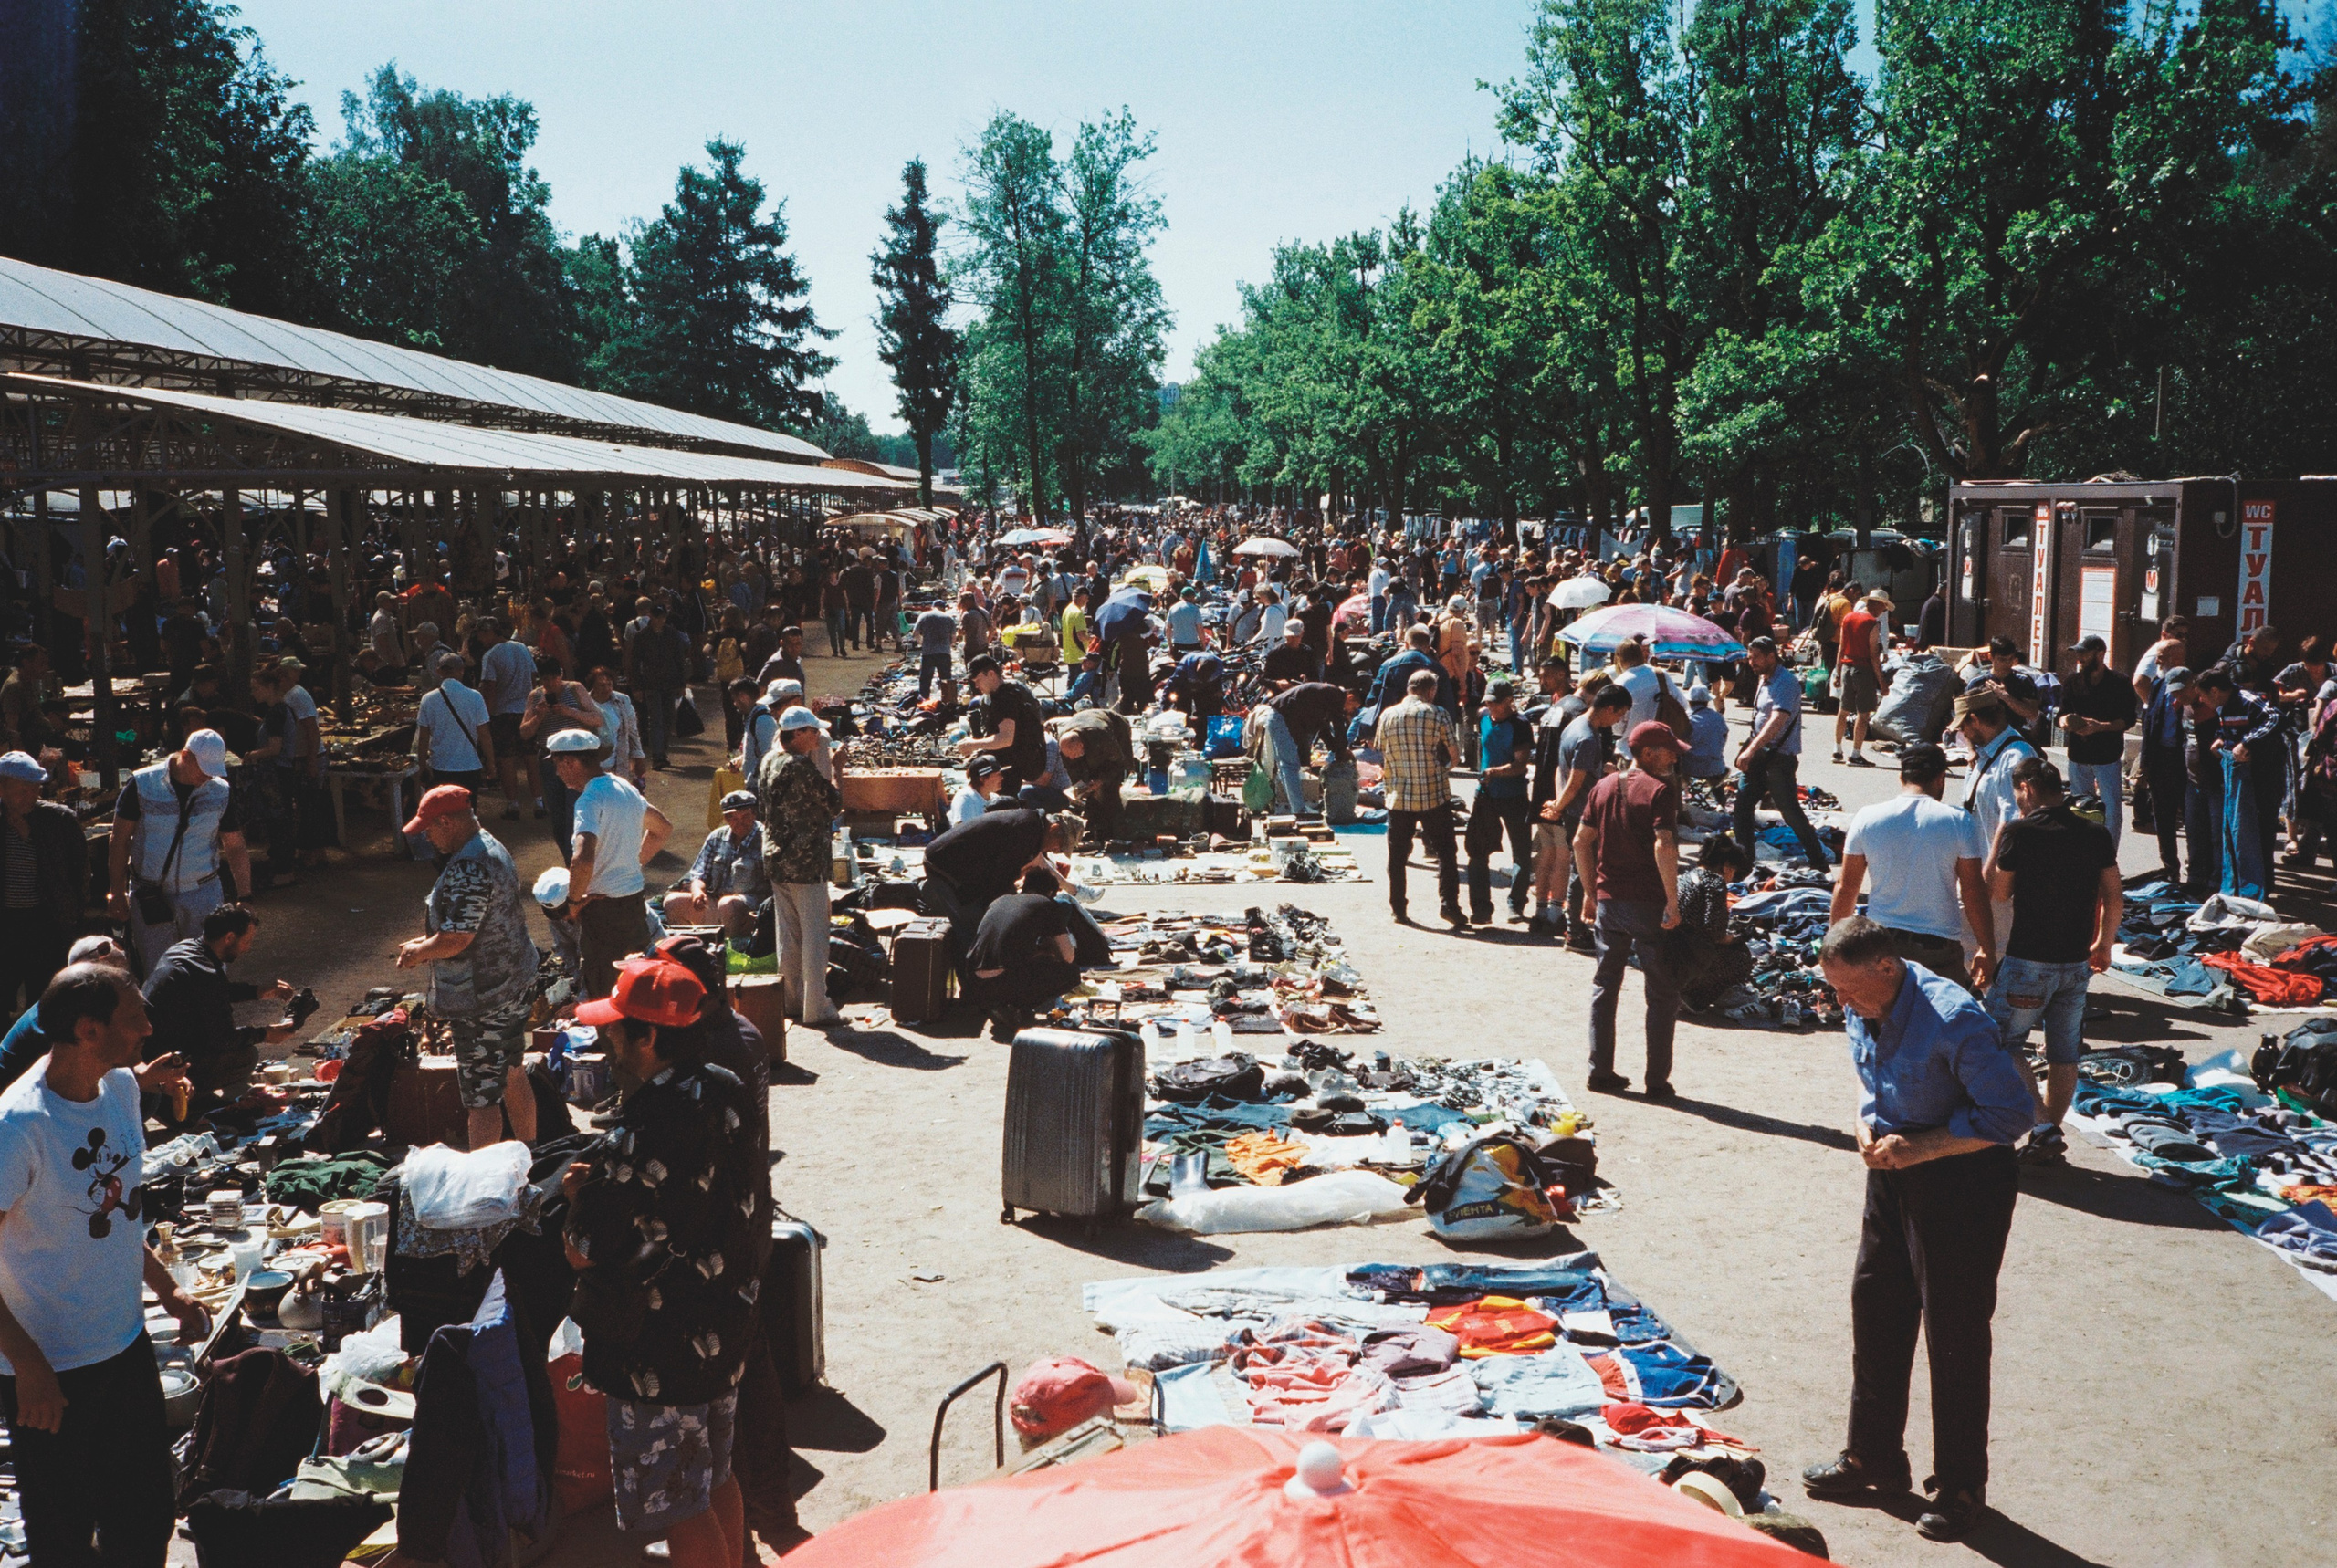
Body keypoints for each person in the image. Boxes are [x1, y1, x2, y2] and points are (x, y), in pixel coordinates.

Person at [1805, 916, 2032, 1544]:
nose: (1841, 1002)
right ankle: (1873, 1454)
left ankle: (1961, 1486)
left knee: (1955, 1332)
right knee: (1876, 1306)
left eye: (1850, 990)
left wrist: (1924, 1148)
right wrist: (1863, 1123)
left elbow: (2012, 1114)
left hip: (1964, 1181)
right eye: (1836, 989)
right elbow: (1871, 1077)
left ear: (1887, 967)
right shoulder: (1863, 1000)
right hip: (1893, 1170)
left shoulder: (1952, 1017)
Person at [0, 963, 211, 1567]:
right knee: (63, 1537)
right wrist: (27, 1364)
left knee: (145, 1517)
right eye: (134, 1016)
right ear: (88, 1030)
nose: (148, 1027)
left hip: (124, 1345)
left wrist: (168, 1291)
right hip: (51, 1372)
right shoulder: (19, 1127)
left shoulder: (120, 1089)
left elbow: (115, 1213)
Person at [563, 956, 765, 1568]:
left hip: (660, 1345)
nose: (608, 1037)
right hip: (727, 1320)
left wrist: (578, 1196)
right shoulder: (724, 1085)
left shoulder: (641, 1128)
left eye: (616, 1027)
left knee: (680, 1503)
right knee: (715, 1475)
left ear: (648, 1036)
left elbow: (583, 1252)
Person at [1981, 755, 2120, 1167]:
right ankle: (2048, 1134)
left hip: (2029, 959)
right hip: (2075, 962)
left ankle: (2043, 1128)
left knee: (2000, 1042)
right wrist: (2104, 943)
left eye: (2017, 794)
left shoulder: (2020, 832)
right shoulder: (2094, 833)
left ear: (2026, 788)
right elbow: (2114, 894)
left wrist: (2001, 835)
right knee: (2064, 1054)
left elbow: (1998, 892)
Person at [394, 788, 539, 1149]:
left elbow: (457, 939)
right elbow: (478, 921)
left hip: (484, 998)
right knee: (512, 1072)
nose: (427, 837)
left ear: (446, 822)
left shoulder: (468, 867)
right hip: (513, 982)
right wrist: (427, 940)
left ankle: (482, 1178)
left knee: (481, 1100)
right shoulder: (491, 846)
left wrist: (418, 953)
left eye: (429, 829)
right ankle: (531, 1154)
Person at [1575, 721, 1685, 1097]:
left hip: (1610, 903)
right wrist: (1672, 900)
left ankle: (1600, 1071)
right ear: (1648, 753)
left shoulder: (1604, 786)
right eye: (1669, 751)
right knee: (1661, 993)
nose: (1674, 758)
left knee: (1605, 986)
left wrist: (1590, 892)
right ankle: (1656, 1080)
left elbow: (1580, 841)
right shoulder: (1660, 790)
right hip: (1648, 904)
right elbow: (1664, 844)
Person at [1831, 745, 1996, 991]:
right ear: (1941, 779)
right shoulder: (1959, 821)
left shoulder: (1867, 817)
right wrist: (1987, 948)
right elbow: (1973, 889)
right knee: (1939, 1013)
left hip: (1881, 945)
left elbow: (1846, 887)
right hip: (1938, 948)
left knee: (1884, 1012)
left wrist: (1834, 948)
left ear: (1901, 777)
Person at [107, 730, 252, 975]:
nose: (208, 777)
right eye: (204, 769)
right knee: (159, 973)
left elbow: (235, 845)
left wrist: (245, 895)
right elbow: (119, 840)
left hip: (202, 893)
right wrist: (117, 892)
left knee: (209, 971)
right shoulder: (143, 784)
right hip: (150, 894)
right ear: (186, 756)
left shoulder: (220, 791)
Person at [141, 904, 296, 1119]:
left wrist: (256, 991)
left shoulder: (185, 950)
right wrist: (265, 1034)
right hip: (163, 1060)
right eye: (247, 941)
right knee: (247, 1056)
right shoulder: (205, 973)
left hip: (150, 1049)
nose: (248, 948)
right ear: (229, 937)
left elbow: (214, 992)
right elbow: (224, 1038)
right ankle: (189, 1105)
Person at [548, 729, 672, 999]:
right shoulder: (624, 788)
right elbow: (662, 828)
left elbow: (583, 859)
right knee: (638, 988)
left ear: (569, 762)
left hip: (604, 916)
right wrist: (631, 864)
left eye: (557, 764)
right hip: (634, 906)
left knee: (606, 994)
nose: (557, 773)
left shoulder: (589, 800)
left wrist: (573, 902)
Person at [756, 708, 844, 1027]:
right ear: (797, 734)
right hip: (806, 862)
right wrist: (835, 768)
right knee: (815, 936)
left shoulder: (769, 760)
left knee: (789, 936)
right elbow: (833, 803)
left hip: (777, 858)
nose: (818, 737)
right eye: (813, 731)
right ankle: (817, 1007)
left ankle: (791, 1000)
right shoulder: (800, 766)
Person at [1731, 638, 1830, 871]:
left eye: (1756, 657)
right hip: (1759, 756)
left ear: (1771, 656)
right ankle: (1745, 864)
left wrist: (1750, 750)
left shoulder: (1786, 682)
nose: (1751, 662)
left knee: (1790, 812)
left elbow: (1778, 720)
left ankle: (1818, 861)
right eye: (1750, 657)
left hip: (1779, 759)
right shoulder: (1763, 679)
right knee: (1742, 808)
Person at [1378, 668, 1465, 928]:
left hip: (1398, 797)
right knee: (1446, 852)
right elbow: (1455, 755)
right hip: (1433, 795)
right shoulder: (1438, 714)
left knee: (1397, 856)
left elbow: (1381, 750)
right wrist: (1441, 768)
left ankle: (1398, 908)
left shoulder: (1387, 715)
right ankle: (1449, 905)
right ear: (1432, 690)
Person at [0, 753, 84, 1014]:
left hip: (45, 921)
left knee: (45, 996)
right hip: (6, 922)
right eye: (21, 792)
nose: (30, 797)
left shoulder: (58, 820)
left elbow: (78, 873)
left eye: (34, 790)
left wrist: (31, 836)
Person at [919, 806, 1063, 955]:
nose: (1056, 850)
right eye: (1060, 845)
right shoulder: (1026, 830)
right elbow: (1001, 880)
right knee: (975, 926)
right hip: (944, 864)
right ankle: (973, 964)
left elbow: (1003, 872)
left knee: (985, 916)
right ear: (1054, 829)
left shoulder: (1032, 827)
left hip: (963, 865)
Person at [964, 867, 1083, 1041]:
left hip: (973, 982)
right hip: (1001, 983)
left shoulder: (1000, 900)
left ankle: (996, 1003)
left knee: (1030, 964)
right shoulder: (1046, 904)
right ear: (1050, 893)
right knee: (1070, 974)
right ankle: (1013, 1006)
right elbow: (1068, 956)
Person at [2055, 633, 2136, 852]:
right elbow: (2060, 714)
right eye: (2078, 653)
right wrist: (2066, 722)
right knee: (2080, 811)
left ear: (2100, 654)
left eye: (2084, 653)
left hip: (2106, 757)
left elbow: (2128, 719)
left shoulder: (2119, 682)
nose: (2079, 658)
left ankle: (2107, 859)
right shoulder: (2072, 681)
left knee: (2110, 813)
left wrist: (2100, 726)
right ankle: (2082, 858)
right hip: (2078, 756)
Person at [1466, 679, 1535, 925]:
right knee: (1477, 851)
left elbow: (1520, 765)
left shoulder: (1520, 725)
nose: (1491, 706)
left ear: (1509, 701)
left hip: (1513, 795)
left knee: (1521, 853)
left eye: (1495, 702)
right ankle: (1481, 908)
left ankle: (1516, 903)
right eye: (1488, 701)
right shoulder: (1483, 717)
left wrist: (1494, 772)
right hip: (1486, 795)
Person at [521, 660, 603, 862]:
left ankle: (580, 861)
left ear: (560, 675)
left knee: (575, 811)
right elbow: (524, 732)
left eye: (553, 678)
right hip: (550, 760)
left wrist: (569, 712)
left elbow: (597, 719)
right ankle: (570, 862)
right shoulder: (535, 696)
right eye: (545, 679)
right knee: (558, 817)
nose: (549, 684)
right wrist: (538, 717)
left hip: (577, 760)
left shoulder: (575, 689)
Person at [665, 790, 770, 939]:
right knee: (672, 902)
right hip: (717, 902)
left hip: (752, 908)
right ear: (725, 819)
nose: (739, 822)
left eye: (745, 816)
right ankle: (690, 946)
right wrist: (697, 892)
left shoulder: (766, 838)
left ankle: (732, 948)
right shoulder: (716, 837)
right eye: (732, 818)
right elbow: (698, 874)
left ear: (754, 814)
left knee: (727, 904)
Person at [1674, 835, 1755, 1011]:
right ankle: (1694, 997)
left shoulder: (1683, 877)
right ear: (1727, 867)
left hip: (1667, 954)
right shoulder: (1714, 882)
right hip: (1687, 958)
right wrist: (1737, 938)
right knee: (1741, 957)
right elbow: (1715, 933)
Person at [476, 617, 538, 820]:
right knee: (530, 757)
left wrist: (485, 717)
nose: (480, 639)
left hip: (502, 713)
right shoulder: (522, 648)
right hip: (526, 710)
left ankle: (513, 804)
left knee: (506, 760)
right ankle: (539, 801)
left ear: (488, 633)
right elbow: (533, 677)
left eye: (481, 635)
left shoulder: (491, 655)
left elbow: (489, 688)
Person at [958, 655, 1048, 792]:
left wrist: (973, 744)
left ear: (991, 674)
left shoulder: (1005, 698)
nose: (976, 686)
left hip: (1011, 767)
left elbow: (1006, 739)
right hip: (1015, 763)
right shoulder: (1010, 690)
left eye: (978, 680)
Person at [2139, 665, 2195, 886]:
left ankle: (2196, 869)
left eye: (2163, 657)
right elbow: (2149, 725)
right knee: (2163, 817)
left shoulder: (2194, 693)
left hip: (2185, 759)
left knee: (2192, 818)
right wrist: (2144, 765)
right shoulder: (2158, 686)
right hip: (2160, 758)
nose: (2158, 661)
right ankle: (2171, 869)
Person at [413, 652, 497, 794]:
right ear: (461, 671)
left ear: (438, 671)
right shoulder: (475, 697)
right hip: (469, 764)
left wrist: (422, 766)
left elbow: (423, 737)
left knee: (443, 806)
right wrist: (491, 762)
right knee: (467, 806)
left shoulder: (428, 699)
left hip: (440, 765)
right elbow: (484, 734)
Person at [625, 601, 692, 770]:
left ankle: (663, 751)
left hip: (670, 682)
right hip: (651, 684)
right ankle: (658, 756)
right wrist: (636, 687)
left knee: (668, 718)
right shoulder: (642, 637)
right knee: (656, 719)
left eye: (663, 617)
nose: (660, 621)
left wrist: (682, 683)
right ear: (651, 617)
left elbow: (679, 659)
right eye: (657, 617)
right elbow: (635, 663)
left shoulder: (672, 634)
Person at [1053, 707, 1132, 845]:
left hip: (1117, 729)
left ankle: (1114, 831)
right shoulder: (1065, 742)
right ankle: (1093, 825)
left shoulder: (1102, 736)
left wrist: (1101, 781)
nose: (1071, 758)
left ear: (1080, 745)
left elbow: (1119, 763)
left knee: (1110, 788)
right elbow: (1071, 767)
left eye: (1073, 754)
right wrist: (1080, 787)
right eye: (1069, 755)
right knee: (1091, 789)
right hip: (1086, 727)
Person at [1834, 591, 1890, 766]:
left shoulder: (1848, 618)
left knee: (1843, 710)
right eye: (1883, 606)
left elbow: (1842, 647)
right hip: (1863, 670)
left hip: (1847, 667)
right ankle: (1855, 754)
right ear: (1876, 604)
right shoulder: (1872, 623)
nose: (1883, 610)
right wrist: (1882, 682)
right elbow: (1873, 655)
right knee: (1863, 714)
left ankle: (1837, 750)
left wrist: (1838, 672)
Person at [1680, 683, 1728, 780]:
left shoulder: (1685, 718)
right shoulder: (1718, 717)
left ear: (1690, 701)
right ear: (1707, 701)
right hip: (1715, 767)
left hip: (1690, 767)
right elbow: (1724, 737)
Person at [913, 601, 958, 699]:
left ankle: (924, 702)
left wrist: (922, 643)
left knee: (925, 680)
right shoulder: (948, 618)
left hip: (928, 652)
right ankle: (948, 702)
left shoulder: (924, 616)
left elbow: (915, 633)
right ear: (943, 608)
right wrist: (948, 646)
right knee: (946, 680)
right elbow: (954, 638)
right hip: (944, 653)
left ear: (932, 607)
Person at [948, 756, 1009, 826]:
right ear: (982, 778)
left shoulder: (995, 798)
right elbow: (960, 830)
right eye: (998, 774)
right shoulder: (965, 799)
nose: (1002, 778)